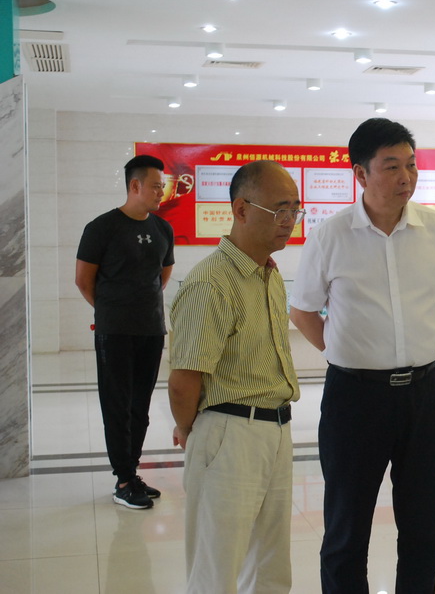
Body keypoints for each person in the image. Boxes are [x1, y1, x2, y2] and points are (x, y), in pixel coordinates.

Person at [290, 118, 435, 593]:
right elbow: (303, 310)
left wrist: (412, 339)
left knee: (425, 526)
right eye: (391, 166)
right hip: (355, 397)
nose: (405, 177)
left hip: (423, 393)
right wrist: (345, 349)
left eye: (411, 165)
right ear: (360, 173)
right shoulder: (330, 235)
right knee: (347, 527)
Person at [168, 160, 302, 593]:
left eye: (295, 210)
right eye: (279, 210)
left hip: (275, 430)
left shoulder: (268, 275)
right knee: (218, 568)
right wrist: (194, 431)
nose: (289, 220)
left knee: (270, 566)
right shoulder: (211, 283)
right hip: (229, 434)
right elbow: (184, 379)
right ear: (241, 210)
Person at [75, 155, 174, 510]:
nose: (161, 192)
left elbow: (162, 275)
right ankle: (122, 480)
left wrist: (141, 310)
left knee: (139, 406)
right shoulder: (101, 228)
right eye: (156, 186)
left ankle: (132, 472)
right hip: (114, 332)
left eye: (162, 186)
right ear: (135, 186)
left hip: (151, 330)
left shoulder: (163, 229)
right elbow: (83, 280)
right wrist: (111, 312)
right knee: (117, 405)